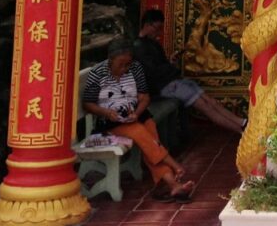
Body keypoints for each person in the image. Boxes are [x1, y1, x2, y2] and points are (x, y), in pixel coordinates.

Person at [82, 37, 195, 201]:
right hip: (111, 121)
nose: (125, 68)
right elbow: (88, 104)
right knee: (140, 132)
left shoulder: (135, 68)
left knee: (149, 133)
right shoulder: (97, 73)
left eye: (128, 64)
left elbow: (144, 97)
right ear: (110, 59)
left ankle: (168, 184)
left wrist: (137, 113)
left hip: (136, 115)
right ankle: (173, 169)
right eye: (121, 64)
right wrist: (107, 112)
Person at [134, 8, 246, 134]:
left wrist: (170, 62)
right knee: (206, 107)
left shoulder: (152, 44)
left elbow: (161, 66)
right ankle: (241, 131)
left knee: (210, 101)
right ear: (148, 25)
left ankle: (241, 122)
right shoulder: (139, 47)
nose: (159, 33)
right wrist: (171, 69)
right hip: (165, 87)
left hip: (173, 82)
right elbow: (153, 73)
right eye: (157, 28)